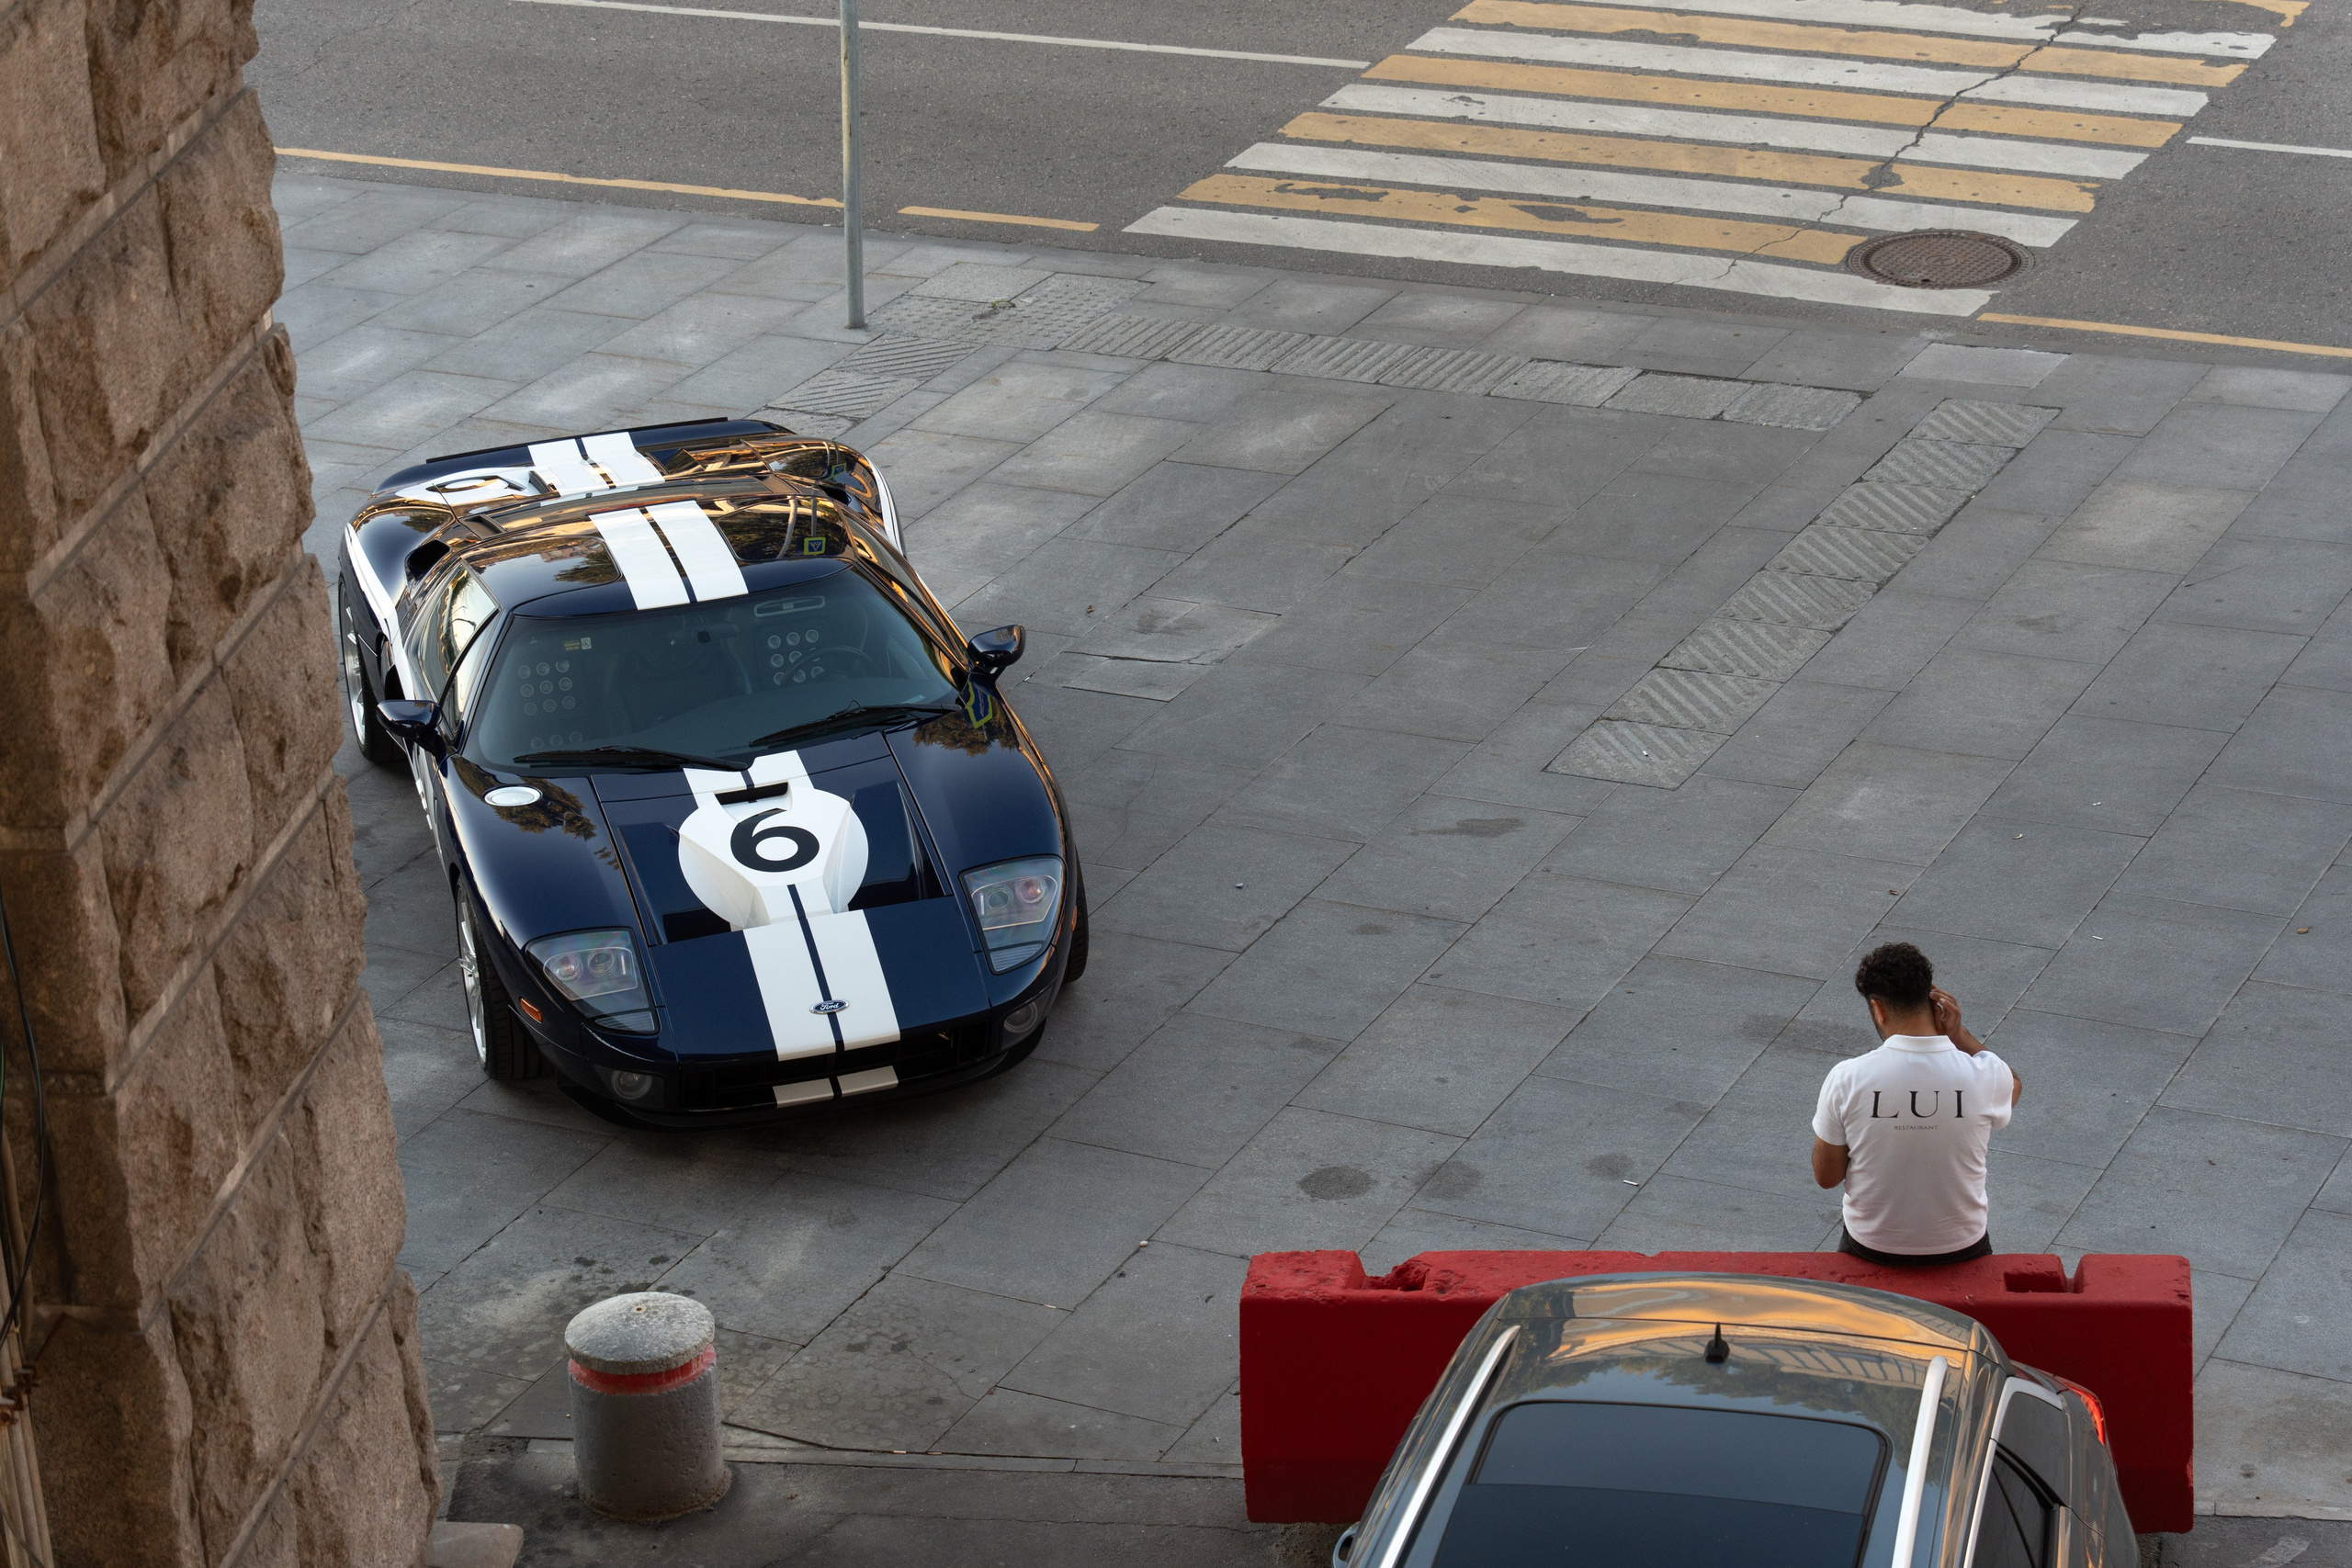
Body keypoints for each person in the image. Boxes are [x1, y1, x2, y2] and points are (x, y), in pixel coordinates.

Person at [1809, 942, 2021, 1266]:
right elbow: (2013, 1083)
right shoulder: (1983, 1075)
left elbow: (1827, 1176)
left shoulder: (1847, 1077)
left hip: (1872, 1247)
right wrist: (1959, 1035)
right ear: (1934, 1001)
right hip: (1962, 1247)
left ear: (1878, 1009)